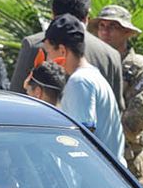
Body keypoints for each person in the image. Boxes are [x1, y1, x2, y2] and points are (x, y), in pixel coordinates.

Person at [9, 0, 124, 102]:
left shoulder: (35, 44)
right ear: (87, 16)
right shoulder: (111, 55)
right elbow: (117, 107)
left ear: (53, 14)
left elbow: (16, 97)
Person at [92, 5, 143, 182]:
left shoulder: (141, 69)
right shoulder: (92, 66)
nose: (105, 32)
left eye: (113, 27)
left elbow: (135, 123)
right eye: (102, 26)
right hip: (92, 160)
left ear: (127, 32)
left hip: (129, 166)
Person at [45, 15, 122, 156]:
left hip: (95, 176)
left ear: (62, 51)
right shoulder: (90, 76)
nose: (47, 59)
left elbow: (80, 145)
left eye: (49, 51)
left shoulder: (79, 82)